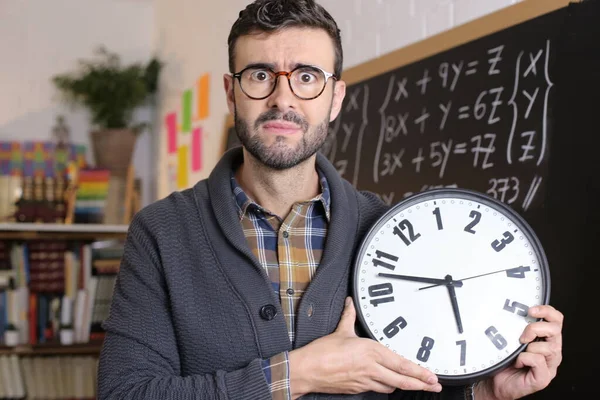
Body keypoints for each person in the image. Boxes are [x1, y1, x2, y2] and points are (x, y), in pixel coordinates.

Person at [97, 1, 563, 399]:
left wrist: (483, 392)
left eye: (307, 77)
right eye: (260, 75)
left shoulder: (385, 227)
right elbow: (125, 392)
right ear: (231, 92)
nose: (283, 98)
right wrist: (297, 375)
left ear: (336, 97)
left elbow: (406, 384)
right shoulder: (163, 231)